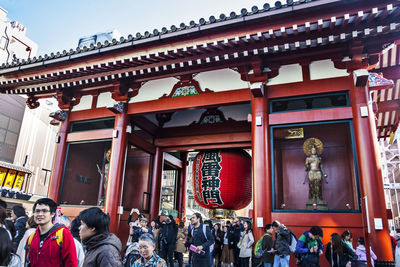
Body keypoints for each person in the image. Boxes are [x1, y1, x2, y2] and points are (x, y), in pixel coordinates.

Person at [25, 198, 78, 267]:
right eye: (37, 211)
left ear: (52, 214)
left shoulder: (63, 234)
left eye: (44, 211)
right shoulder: (31, 237)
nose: (40, 214)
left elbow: (71, 263)